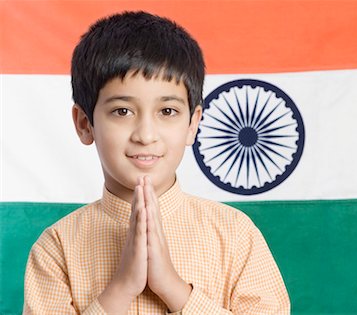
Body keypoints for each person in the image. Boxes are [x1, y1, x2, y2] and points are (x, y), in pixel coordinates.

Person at [23, 11, 290, 314]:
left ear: (193, 123)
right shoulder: (56, 248)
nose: (146, 135)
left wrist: (173, 288)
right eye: (122, 111)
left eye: (167, 112)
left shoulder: (237, 235)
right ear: (85, 123)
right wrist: (121, 288)